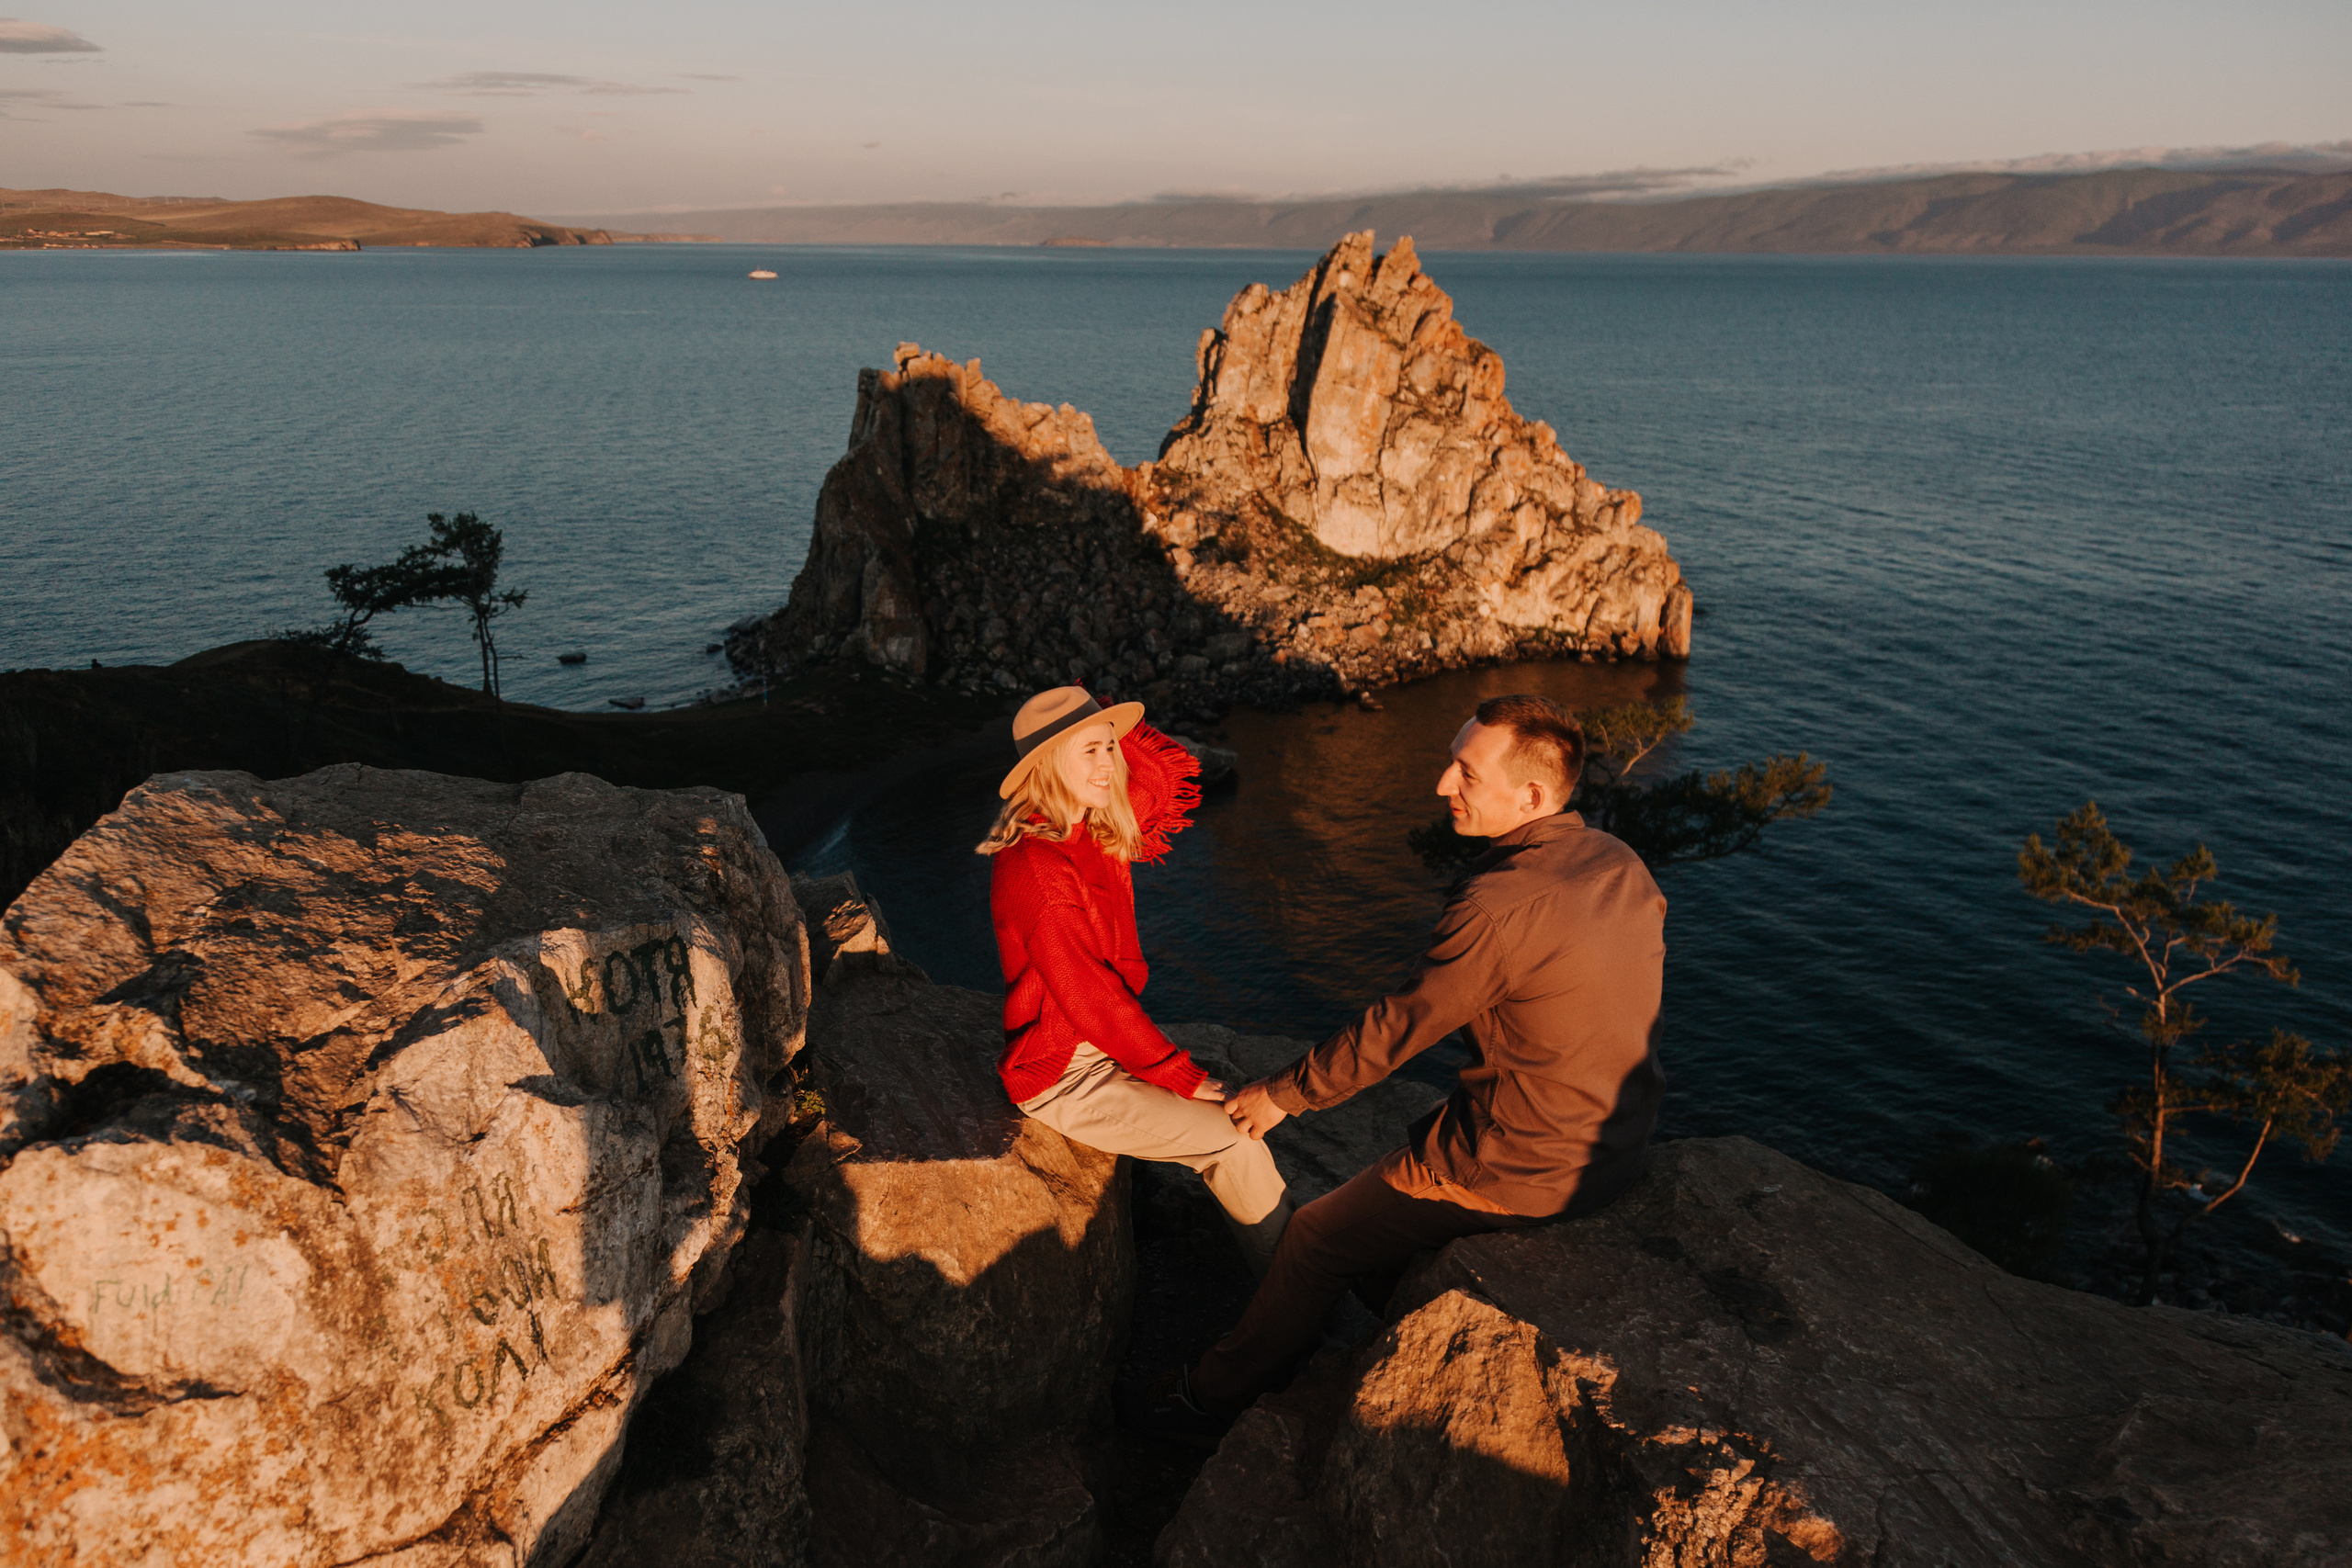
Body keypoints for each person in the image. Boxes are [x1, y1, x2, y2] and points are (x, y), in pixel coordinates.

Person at [1129, 693, 1668, 1443]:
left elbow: (1397, 1029)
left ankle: (1206, 1394)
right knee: (1372, 1229)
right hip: (1617, 1148)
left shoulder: (1497, 904)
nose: (1444, 785)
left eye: (1466, 772)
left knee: (1315, 1237)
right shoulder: (1621, 863)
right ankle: (1387, 1310)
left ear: (1532, 796)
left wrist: (1284, 1094)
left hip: (1521, 1168)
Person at [980, 685, 1295, 1275]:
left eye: (1110, 749)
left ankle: (1303, 1265)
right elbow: (1088, 993)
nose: (1109, 765)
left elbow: (1159, 783)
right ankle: (1302, 1296)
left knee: (1235, 1116)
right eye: (1090, 752)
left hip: (1103, 1049)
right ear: (1049, 766)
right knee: (1233, 1141)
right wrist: (1176, 1072)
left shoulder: (1091, 832)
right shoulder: (1036, 864)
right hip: (1063, 1073)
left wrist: (1103, 730)